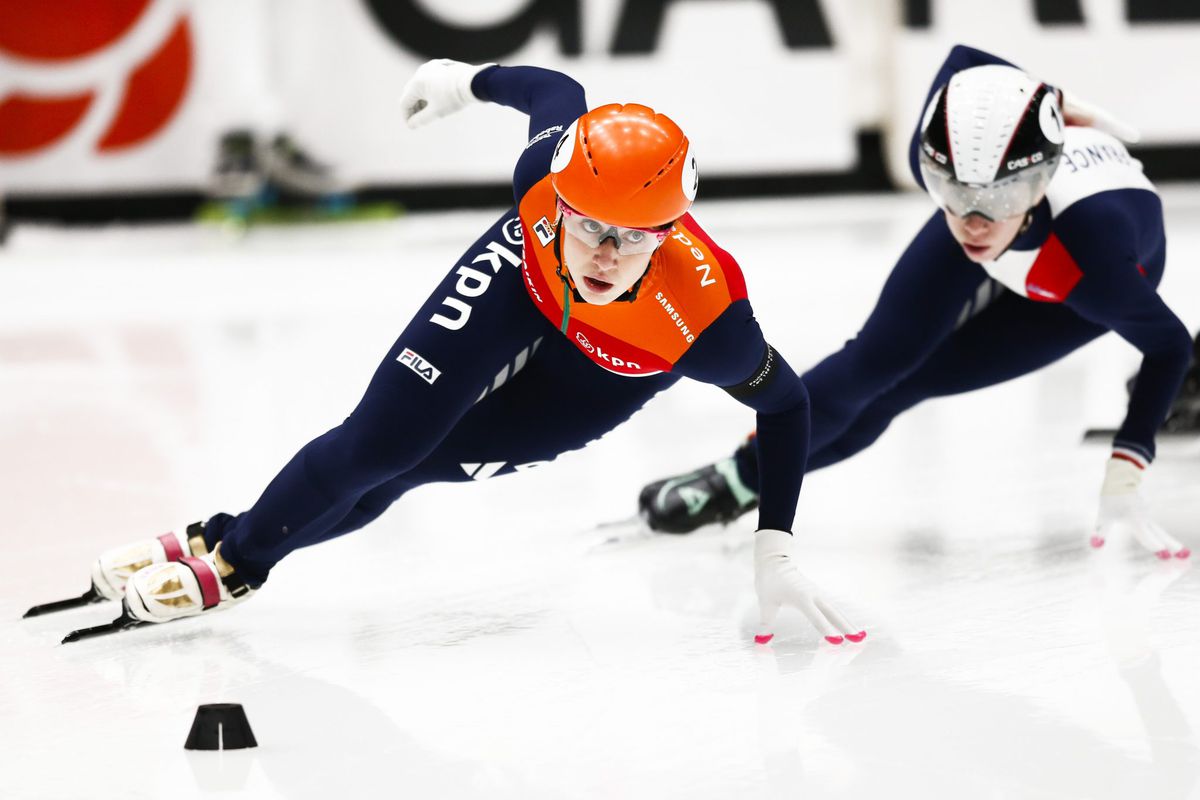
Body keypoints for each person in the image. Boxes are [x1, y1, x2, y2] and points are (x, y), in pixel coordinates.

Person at [77, 60, 864, 645]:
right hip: (516, 281)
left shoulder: (707, 319)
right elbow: (554, 91)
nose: (600, 251)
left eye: (629, 240)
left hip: (607, 369)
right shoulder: (541, 181)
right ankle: (239, 557)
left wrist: (776, 543)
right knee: (381, 441)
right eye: (586, 221)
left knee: (417, 467)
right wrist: (464, 81)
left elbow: (788, 403)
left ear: (666, 237)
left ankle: (235, 537)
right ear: (561, 193)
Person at [639, 45, 1194, 562]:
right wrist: (1040, 97)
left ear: (1037, 183)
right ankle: (739, 478)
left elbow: (1170, 345)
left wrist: (1127, 465)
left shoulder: (1094, 262)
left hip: (1064, 280)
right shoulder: (960, 172)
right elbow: (964, 59)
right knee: (876, 361)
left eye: (996, 199)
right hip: (1028, 222)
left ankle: (749, 477)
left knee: (913, 382)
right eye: (949, 192)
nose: (973, 224)